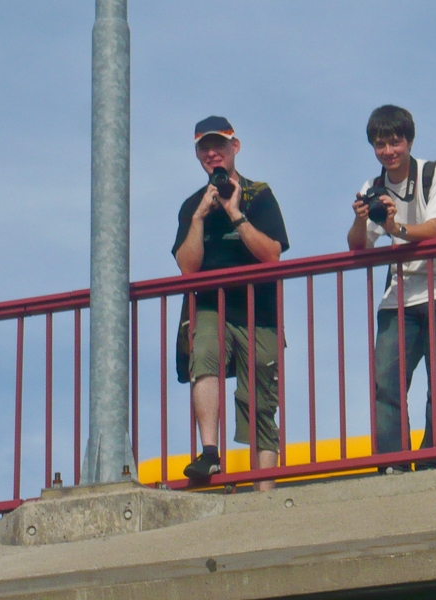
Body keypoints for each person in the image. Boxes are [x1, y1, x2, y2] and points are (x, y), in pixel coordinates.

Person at [347, 105, 436, 472]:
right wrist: (362, 219)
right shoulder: (373, 188)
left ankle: (432, 462)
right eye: (380, 144)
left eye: (395, 142)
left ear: (409, 141)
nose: (389, 151)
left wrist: (394, 227)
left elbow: (435, 228)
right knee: (385, 383)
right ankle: (393, 464)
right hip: (399, 294)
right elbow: (358, 246)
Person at [172, 116, 289, 488]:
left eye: (218, 146)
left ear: (234, 148)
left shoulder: (259, 194)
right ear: (197, 155)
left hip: (260, 312)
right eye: (204, 149)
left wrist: (236, 213)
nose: (212, 154)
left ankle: (265, 489)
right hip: (211, 306)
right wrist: (200, 217)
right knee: (203, 352)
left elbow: (272, 254)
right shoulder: (193, 205)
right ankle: (209, 454)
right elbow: (187, 268)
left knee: (260, 400)